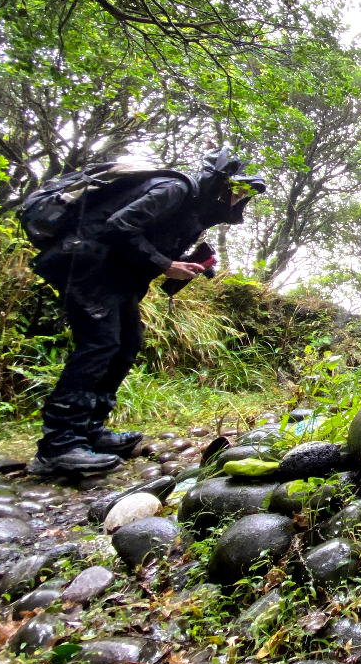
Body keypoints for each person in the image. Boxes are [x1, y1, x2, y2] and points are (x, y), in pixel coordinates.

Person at [28, 148, 266, 477]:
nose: (238, 202)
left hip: (110, 274)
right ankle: (58, 446)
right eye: (236, 193)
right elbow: (119, 226)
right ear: (219, 185)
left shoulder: (191, 213)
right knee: (99, 346)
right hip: (84, 263)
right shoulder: (176, 190)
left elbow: (143, 242)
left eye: (244, 197)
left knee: (126, 344)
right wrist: (166, 264)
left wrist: (181, 265)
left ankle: (90, 431)